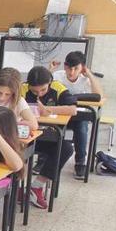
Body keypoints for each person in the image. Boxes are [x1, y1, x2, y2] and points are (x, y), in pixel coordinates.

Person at [21, 66, 77, 209]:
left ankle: (37, 186)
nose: (38, 94)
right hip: (26, 135)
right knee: (13, 148)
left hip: (48, 136)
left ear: (50, 83)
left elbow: (73, 109)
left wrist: (49, 109)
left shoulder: (58, 88)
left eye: (43, 90)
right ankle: (17, 187)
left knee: (66, 148)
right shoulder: (22, 89)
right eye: (34, 91)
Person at [49, 51, 103, 179]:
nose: (72, 72)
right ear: (65, 67)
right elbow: (44, 89)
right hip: (60, 114)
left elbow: (99, 96)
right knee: (48, 127)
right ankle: (43, 160)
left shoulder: (85, 79)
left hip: (79, 116)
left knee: (82, 128)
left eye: (76, 68)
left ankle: (80, 162)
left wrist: (89, 74)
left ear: (82, 68)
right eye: (69, 68)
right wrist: (49, 70)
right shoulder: (57, 76)